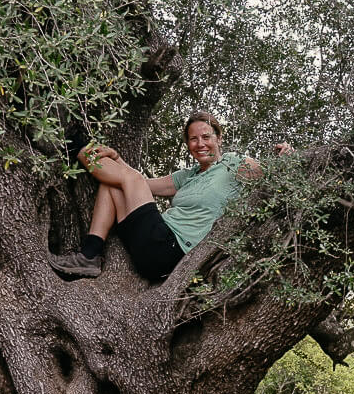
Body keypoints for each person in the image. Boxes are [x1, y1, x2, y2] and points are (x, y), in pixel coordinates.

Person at [51, 111, 292, 282]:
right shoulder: (187, 175)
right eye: (193, 139)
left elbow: (273, 173)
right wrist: (116, 158)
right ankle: (89, 255)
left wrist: (288, 158)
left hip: (171, 249)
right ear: (188, 144)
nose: (200, 144)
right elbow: (137, 184)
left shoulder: (235, 164)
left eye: (206, 137)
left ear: (219, 138)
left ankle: (76, 145)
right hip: (151, 244)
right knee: (111, 184)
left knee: (123, 179)